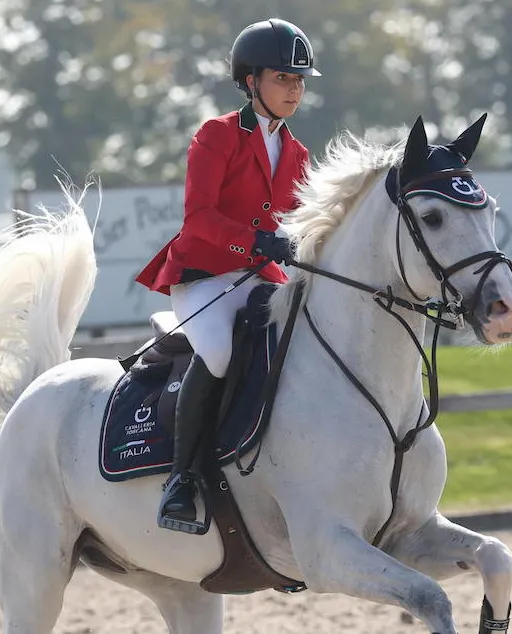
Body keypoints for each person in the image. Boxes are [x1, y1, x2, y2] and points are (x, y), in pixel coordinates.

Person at [134, 17, 321, 531]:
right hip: (204, 275)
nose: (294, 89)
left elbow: (300, 224)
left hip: (261, 278)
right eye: (282, 78)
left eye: (299, 80)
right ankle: (182, 477)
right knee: (218, 352)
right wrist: (258, 240)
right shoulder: (216, 135)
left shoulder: (300, 154)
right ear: (250, 81)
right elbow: (199, 218)